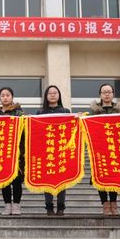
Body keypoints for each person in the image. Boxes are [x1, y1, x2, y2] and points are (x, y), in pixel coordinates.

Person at [89, 83, 120, 217]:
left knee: (114, 176)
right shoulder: (93, 110)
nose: (107, 94)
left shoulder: (119, 110)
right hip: (99, 147)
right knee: (100, 175)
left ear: (113, 94)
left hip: (114, 147)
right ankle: (105, 204)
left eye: (109, 91)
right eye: (104, 92)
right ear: (100, 95)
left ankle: (114, 203)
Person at [37, 85, 70, 216]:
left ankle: (61, 207)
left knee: (62, 180)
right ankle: (49, 207)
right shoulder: (40, 112)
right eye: (50, 93)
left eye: (55, 93)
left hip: (61, 149)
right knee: (48, 180)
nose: (52, 95)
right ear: (46, 96)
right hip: (46, 150)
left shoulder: (66, 111)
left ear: (59, 95)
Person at [0, 87, 25, 215]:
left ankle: (16, 205)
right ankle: (7, 205)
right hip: (1, 150)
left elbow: (24, 131)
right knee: (4, 180)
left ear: (12, 97)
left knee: (16, 180)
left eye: (7, 95)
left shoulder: (19, 112)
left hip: (16, 151)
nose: (5, 97)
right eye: (2, 95)